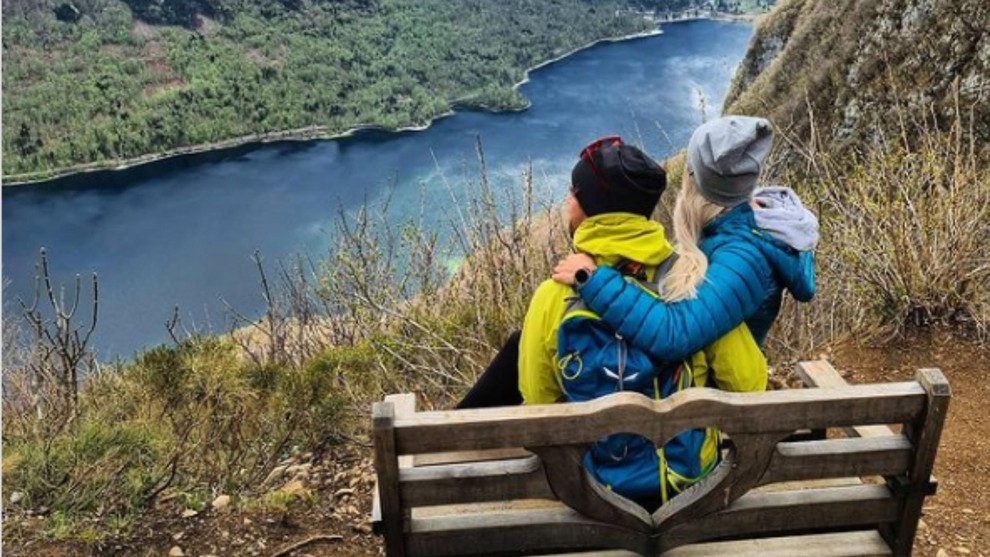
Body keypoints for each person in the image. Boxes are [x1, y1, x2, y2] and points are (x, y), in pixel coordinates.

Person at [516, 136, 767, 509]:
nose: (566, 200)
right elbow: (748, 385)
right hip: (693, 490)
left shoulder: (553, 297)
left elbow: (538, 402)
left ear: (590, 209)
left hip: (597, 495)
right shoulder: (694, 281)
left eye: (573, 192)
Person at [552, 116, 818, 365]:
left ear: (695, 178)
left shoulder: (744, 257)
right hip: (710, 360)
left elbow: (674, 335)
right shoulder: (744, 222)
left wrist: (593, 278)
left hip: (716, 386)